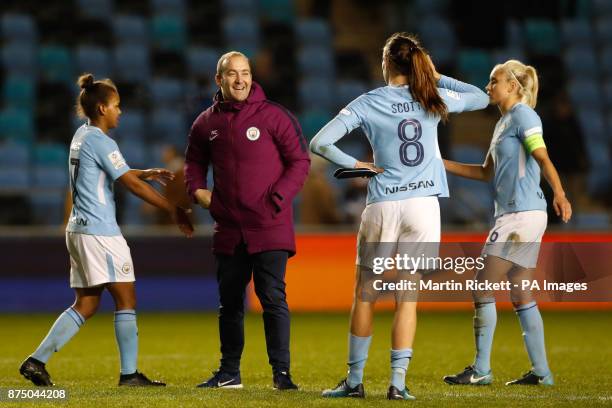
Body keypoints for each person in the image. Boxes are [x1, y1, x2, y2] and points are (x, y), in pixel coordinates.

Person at [310, 32, 489, 400]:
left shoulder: (368, 101)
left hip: (384, 204)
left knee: (365, 295)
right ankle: (398, 384)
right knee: (407, 297)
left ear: (385, 62)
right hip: (423, 206)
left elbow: (319, 142)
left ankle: (355, 382)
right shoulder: (431, 97)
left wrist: (356, 164)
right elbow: (482, 97)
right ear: (416, 63)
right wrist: (436, 76)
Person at [19, 73, 194, 387]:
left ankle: (36, 361)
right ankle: (129, 375)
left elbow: (112, 172)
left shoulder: (82, 135)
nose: (120, 111)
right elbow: (129, 184)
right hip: (101, 233)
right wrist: (173, 209)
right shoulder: (101, 140)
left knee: (86, 303)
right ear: (102, 108)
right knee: (126, 298)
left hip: (79, 230)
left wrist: (145, 172)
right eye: (116, 106)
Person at [184, 51, 310, 390]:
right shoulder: (205, 123)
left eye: (245, 73)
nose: (240, 80)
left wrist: (278, 198)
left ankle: (282, 375)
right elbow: (193, 163)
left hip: (270, 224)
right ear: (219, 80)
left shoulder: (275, 116)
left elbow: (299, 161)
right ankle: (229, 373)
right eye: (232, 74)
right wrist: (197, 190)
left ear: (252, 76)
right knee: (229, 304)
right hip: (228, 228)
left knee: (272, 298)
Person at [442, 60, 572, 386]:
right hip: (519, 215)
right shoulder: (503, 123)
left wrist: (559, 192)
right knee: (521, 293)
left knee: (481, 285)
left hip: (520, 215)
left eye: (493, 80)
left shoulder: (524, 116)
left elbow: (542, 156)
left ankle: (481, 369)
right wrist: (439, 163)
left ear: (513, 86)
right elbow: (485, 172)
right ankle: (542, 373)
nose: (488, 87)